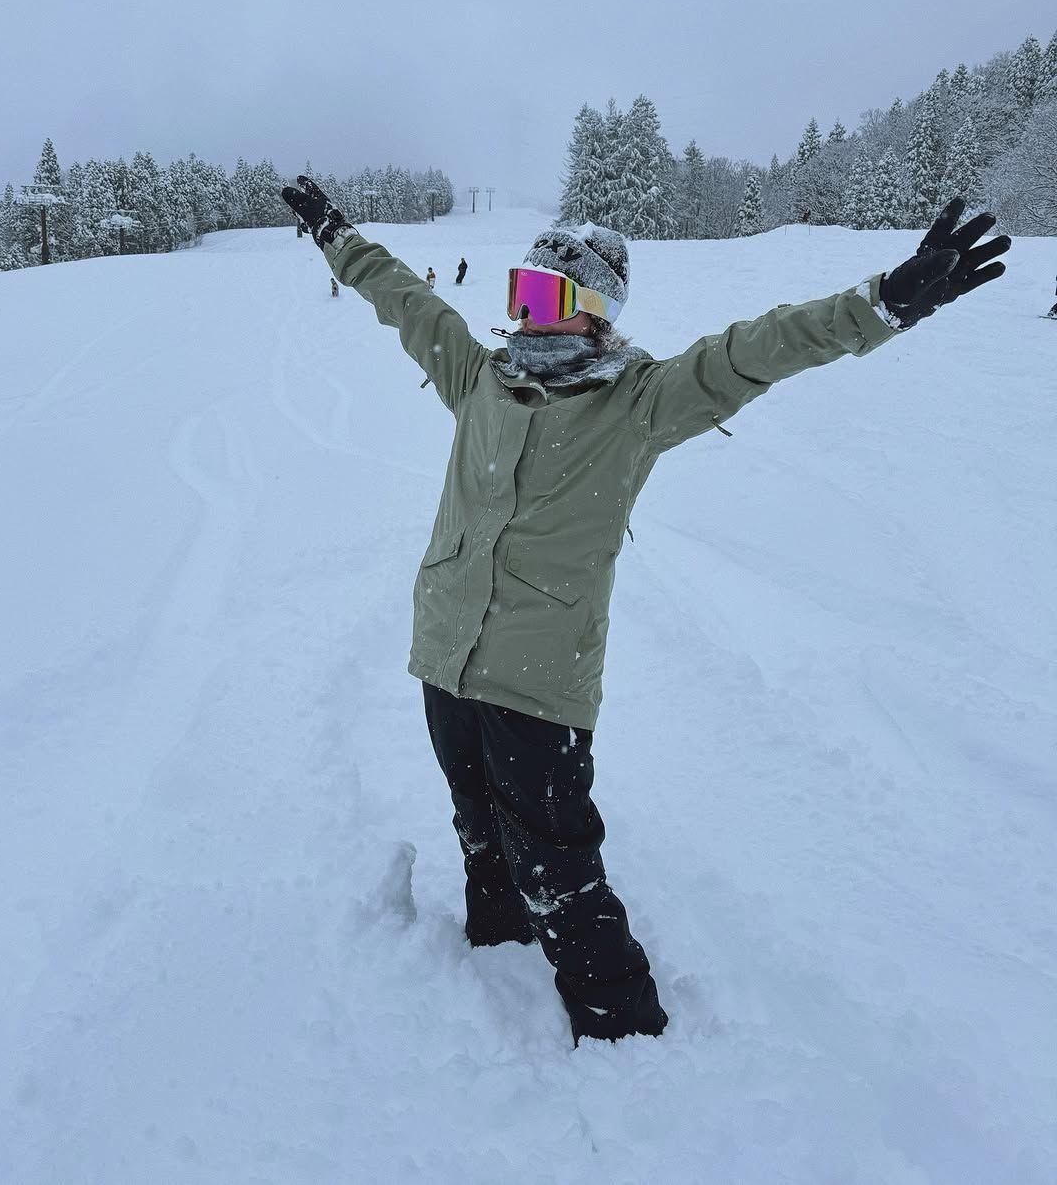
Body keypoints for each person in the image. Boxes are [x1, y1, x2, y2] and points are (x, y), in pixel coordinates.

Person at [281, 175, 1010, 1047]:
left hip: (537, 677)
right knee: (475, 820)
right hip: (445, 651)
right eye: (520, 291)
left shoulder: (638, 404)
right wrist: (336, 236)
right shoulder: (480, 378)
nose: (523, 312)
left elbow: (756, 350)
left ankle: (622, 1027)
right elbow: (403, 301)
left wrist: (882, 304)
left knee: (557, 859)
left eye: (545, 294)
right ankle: (496, 944)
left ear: (592, 311)